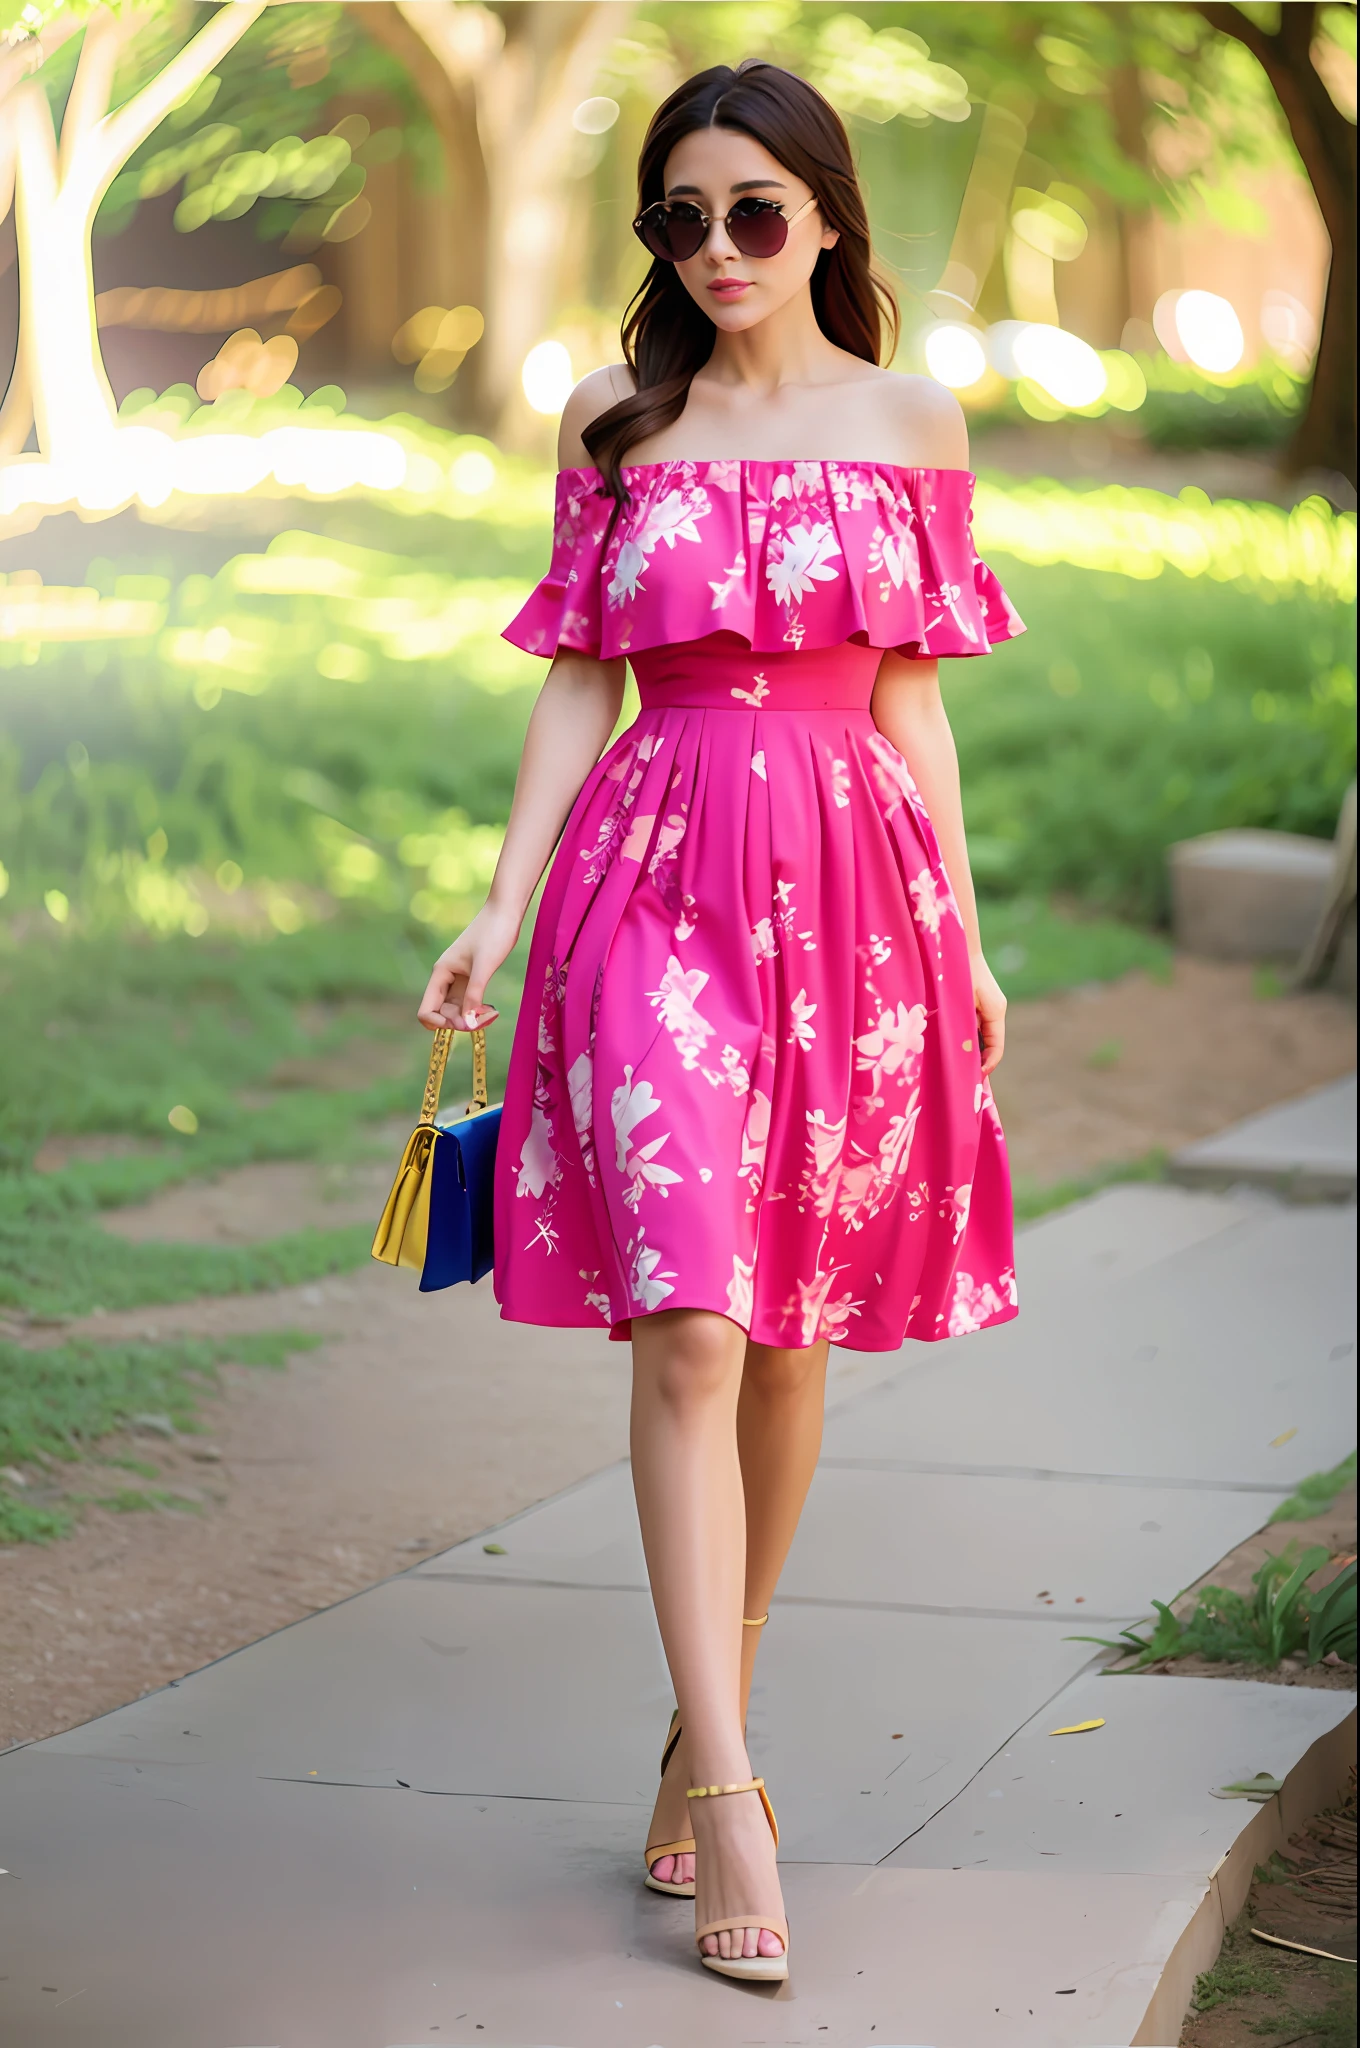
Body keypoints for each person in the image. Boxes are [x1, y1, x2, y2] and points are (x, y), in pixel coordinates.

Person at [418, 58, 1023, 1984]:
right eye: (679, 219)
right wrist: (498, 910)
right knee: (688, 1320)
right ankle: (746, 1795)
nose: (719, 250)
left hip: (859, 901)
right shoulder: (616, 420)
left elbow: (914, 702)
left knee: (787, 1342)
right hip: (650, 890)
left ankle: (701, 1718)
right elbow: (576, 682)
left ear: (829, 216)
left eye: (755, 211)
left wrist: (976, 940)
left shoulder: (911, 419)